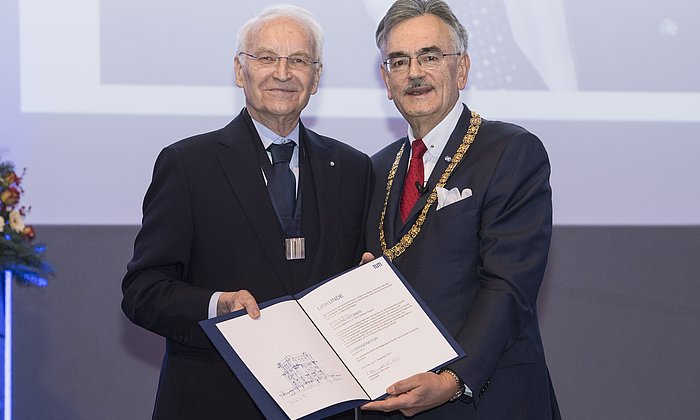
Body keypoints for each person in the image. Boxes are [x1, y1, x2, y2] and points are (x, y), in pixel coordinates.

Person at [121, 5, 371, 419]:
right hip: (214, 401)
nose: (283, 72)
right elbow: (142, 291)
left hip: (325, 406)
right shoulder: (187, 165)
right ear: (240, 71)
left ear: (317, 76)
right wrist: (217, 305)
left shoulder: (353, 167)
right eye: (266, 58)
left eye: (298, 60)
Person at [361, 0, 561, 418]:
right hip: (398, 400)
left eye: (430, 56)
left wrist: (452, 379)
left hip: (486, 399)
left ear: (463, 68)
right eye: (399, 61)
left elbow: (509, 285)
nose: (414, 73)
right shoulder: (377, 168)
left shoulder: (510, 151)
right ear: (386, 79)